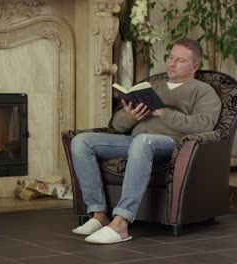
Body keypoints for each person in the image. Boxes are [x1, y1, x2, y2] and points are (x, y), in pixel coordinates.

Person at [70, 38, 221, 244]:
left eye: (180, 60)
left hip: (171, 144)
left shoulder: (202, 91)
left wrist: (162, 113)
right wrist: (131, 117)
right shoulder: (152, 86)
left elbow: (204, 125)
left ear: (194, 66)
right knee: (81, 141)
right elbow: (117, 125)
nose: (171, 63)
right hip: (136, 141)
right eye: (170, 57)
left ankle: (121, 222)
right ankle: (98, 215)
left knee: (143, 141)